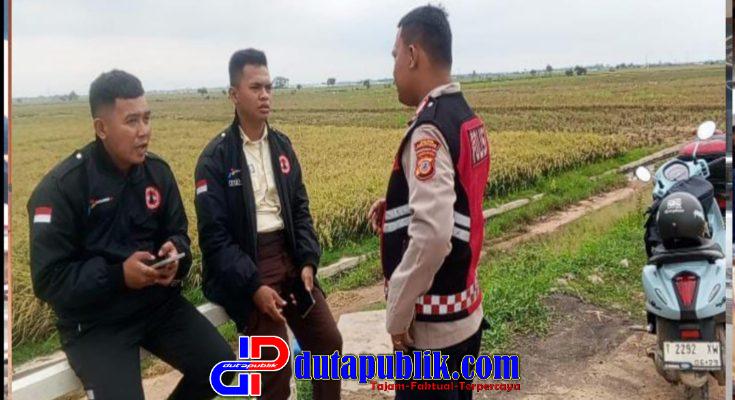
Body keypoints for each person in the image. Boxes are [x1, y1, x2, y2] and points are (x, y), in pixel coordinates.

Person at [27, 70, 235, 400]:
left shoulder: (157, 173)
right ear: (101, 128)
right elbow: (49, 279)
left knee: (222, 369)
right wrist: (118, 276)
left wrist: (174, 256)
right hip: (96, 322)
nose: (144, 131)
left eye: (147, 119)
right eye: (132, 121)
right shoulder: (63, 188)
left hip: (155, 305)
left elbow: (179, 234)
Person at [194, 49, 342, 400]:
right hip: (247, 265)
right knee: (273, 365)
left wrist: (308, 260)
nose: (265, 95)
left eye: (269, 87)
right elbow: (214, 239)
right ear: (234, 94)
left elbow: (300, 210)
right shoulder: (215, 159)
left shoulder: (281, 147)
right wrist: (253, 286)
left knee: (329, 343)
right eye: (255, 88)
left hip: (289, 260)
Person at [368, 5, 490, 399]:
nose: (392, 69)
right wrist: (398, 207)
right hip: (464, 316)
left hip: (433, 335)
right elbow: (459, 203)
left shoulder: (430, 130)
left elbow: (433, 236)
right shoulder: (466, 118)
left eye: (394, 55)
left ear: (412, 55)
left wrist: (398, 312)